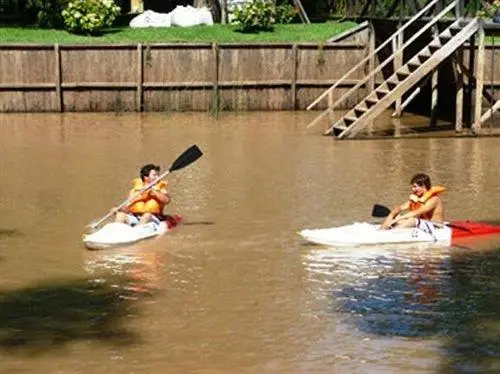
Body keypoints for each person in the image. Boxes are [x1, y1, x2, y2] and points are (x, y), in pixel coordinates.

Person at [381, 173, 445, 230]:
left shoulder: (434, 199)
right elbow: (399, 208)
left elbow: (417, 212)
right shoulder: (417, 198)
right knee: (397, 215)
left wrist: (397, 220)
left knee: (412, 220)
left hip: (436, 227)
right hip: (423, 225)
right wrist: (393, 215)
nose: (413, 189)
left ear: (423, 186)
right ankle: (382, 230)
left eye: (415, 187)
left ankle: (391, 234)